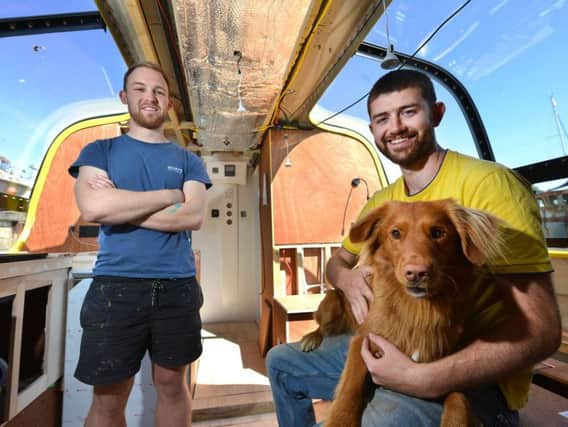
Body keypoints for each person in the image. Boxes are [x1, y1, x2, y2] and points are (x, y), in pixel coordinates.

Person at [266, 69, 561, 426]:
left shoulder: (491, 184)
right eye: (382, 118)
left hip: (474, 377)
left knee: (380, 420)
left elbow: (542, 331)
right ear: (373, 130)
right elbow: (338, 261)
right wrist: (347, 280)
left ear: (435, 114)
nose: (396, 127)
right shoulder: (384, 200)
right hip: (393, 343)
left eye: (409, 112)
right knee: (280, 362)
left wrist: (425, 379)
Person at [69, 62, 211, 427]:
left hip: (176, 287)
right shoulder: (99, 151)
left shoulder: (187, 159)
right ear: (124, 97)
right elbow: (94, 207)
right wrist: (167, 194)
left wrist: (120, 205)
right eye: (140, 89)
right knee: (108, 397)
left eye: (159, 91)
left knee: (172, 384)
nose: (150, 97)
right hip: (116, 288)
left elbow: (192, 216)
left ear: (169, 103)